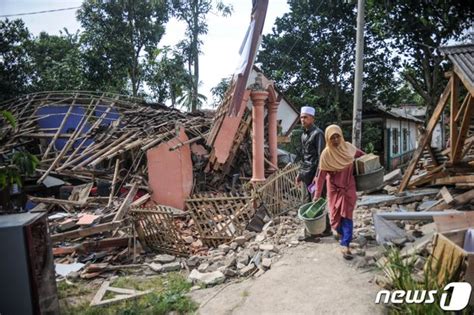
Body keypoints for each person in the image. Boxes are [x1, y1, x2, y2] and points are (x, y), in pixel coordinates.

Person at [313, 125, 365, 259]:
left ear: (341, 136)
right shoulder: (326, 155)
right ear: (328, 139)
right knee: (335, 219)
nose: (336, 140)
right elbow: (321, 177)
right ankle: (342, 234)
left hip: (348, 187)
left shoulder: (348, 147)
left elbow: (363, 156)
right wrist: (317, 195)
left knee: (347, 215)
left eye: (337, 136)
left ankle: (345, 244)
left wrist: (373, 163)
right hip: (334, 189)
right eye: (332, 138)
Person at [295, 106, 325, 200]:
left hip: (315, 173)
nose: (303, 120)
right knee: (308, 200)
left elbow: (322, 156)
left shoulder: (318, 133)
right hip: (306, 173)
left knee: (318, 200)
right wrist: (300, 173)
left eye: (305, 117)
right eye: (301, 117)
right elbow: (304, 156)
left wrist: (318, 176)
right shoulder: (303, 135)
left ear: (312, 119)